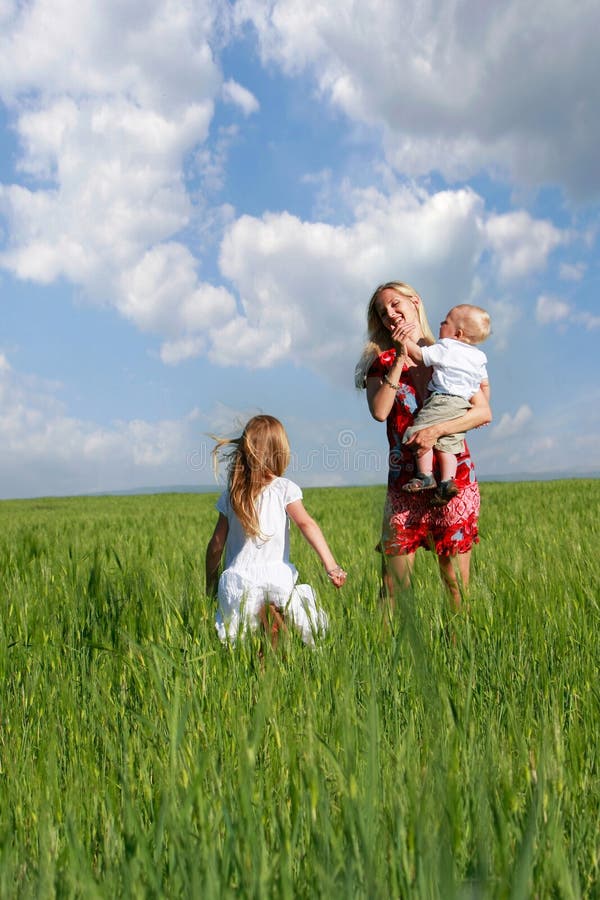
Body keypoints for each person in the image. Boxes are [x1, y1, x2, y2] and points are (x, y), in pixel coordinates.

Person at [355, 282, 492, 609]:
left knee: (455, 585)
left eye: (394, 304)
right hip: (407, 484)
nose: (389, 314)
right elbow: (380, 411)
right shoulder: (382, 362)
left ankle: (460, 652)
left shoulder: (451, 353)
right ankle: (388, 658)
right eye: (382, 311)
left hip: (453, 480)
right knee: (392, 587)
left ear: (414, 302)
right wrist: (401, 356)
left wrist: (436, 431)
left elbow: (483, 411)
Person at [205, 414, 347, 645]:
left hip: (238, 583)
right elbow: (306, 524)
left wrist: (211, 583)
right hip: (277, 578)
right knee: (279, 637)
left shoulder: (232, 496)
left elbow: (216, 546)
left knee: (242, 646)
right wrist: (332, 566)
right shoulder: (284, 489)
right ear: (281, 450)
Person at [399, 304, 491, 505]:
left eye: (445, 322)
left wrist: (403, 338)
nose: (440, 324)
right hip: (463, 405)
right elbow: (484, 384)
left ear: (457, 333)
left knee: (419, 432)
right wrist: (481, 407)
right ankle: (447, 481)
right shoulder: (479, 357)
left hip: (442, 399)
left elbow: (419, 355)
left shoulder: (447, 347)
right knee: (448, 445)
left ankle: (425, 475)